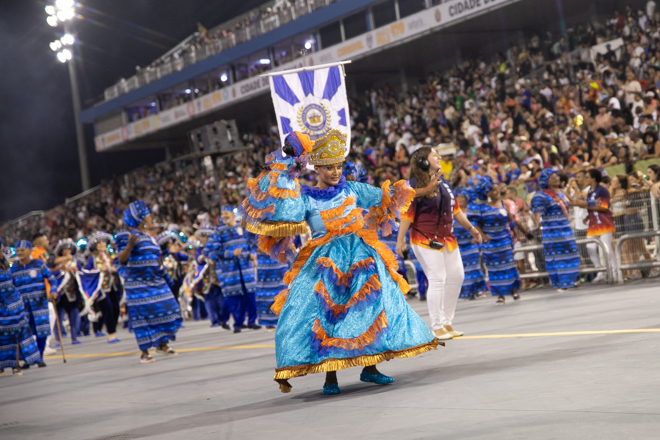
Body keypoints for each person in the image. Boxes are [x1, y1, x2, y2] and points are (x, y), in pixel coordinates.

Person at [240, 130, 439, 395]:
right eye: (330, 167)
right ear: (318, 168)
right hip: (324, 261)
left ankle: (371, 368)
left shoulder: (353, 189)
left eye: (339, 166)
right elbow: (282, 207)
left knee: (372, 309)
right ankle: (329, 376)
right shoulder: (306, 198)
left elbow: (386, 195)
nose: (335, 172)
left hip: (361, 256)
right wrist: (285, 163)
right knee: (325, 313)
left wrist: (422, 188)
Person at [396, 146, 482, 340]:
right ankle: (437, 326)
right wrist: (400, 240)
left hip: (447, 238)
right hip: (423, 238)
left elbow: (456, 210)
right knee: (437, 278)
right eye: (435, 155)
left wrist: (471, 228)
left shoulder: (444, 182)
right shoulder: (413, 186)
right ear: (424, 161)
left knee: (457, 276)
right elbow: (406, 215)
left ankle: (446, 321)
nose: (440, 157)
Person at [116, 201, 183, 363]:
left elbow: (156, 258)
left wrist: (167, 252)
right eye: (148, 215)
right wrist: (130, 246)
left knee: (168, 309)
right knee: (142, 317)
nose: (151, 217)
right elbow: (121, 259)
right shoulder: (125, 236)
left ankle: (162, 343)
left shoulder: (149, 237)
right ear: (140, 218)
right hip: (138, 284)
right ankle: (144, 352)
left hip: (156, 281)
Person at [203, 206, 260, 333]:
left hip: (246, 269)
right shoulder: (218, 231)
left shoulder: (244, 227)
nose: (224, 215)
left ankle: (252, 321)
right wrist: (230, 253)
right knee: (234, 299)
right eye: (222, 213)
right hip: (229, 272)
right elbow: (209, 252)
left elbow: (254, 242)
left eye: (226, 213)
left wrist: (252, 252)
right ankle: (238, 324)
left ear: (233, 214)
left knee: (251, 296)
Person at [470, 176, 522, 305]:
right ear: (486, 193)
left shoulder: (503, 203)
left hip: (504, 240)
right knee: (494, 269)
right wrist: (483, 235)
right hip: (490, 243)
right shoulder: (480, 207)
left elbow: (510, 219)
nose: (497, 191)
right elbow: (475, 224)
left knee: (509, 266)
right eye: (493, 190)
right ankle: (500, 295)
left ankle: (514, 291)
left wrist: (515, 231)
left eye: (496, 189)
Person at [530, 169, 581, 291]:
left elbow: (574, 202)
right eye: (553, 178)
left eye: (557, 176)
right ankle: (561, 284)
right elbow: (536, 212)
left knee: (572, 253)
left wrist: (590, 203)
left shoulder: (563, 192)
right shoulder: (542, 195)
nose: (557, 179)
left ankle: (569, 280)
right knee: (556, 257)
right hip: (552, 232)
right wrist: (536, 219)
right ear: (546, 181)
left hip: (566, 230)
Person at [11, 240, 59, 367]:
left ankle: (39, 357)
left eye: (22, 250)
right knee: (25, 332)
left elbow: (52, 279)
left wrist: (53, 291)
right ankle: (28, 358)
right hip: (22, 307)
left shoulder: (39, 265)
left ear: (30, 251)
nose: (20, 253)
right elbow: (10, 287)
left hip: (40, 304)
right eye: (18, 251)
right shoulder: (14, 269)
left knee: (41, 331)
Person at [0, 238, 41, 376]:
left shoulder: (5, 263)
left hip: (12, 304)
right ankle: (1, 366)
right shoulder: (14, 267)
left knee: (16, 332)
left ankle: (16, 364)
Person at [567, 169, 616, 283]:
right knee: (590, 248)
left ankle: (614, 272)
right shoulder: (590, 192)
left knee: (607, 248)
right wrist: (588, 217)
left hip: (604, 224)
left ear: (593, 178)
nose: (585, 179)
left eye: (587, 177)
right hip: (593, 225)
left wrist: (586, 207)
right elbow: (591, 206)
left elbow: (603, 207)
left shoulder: (602, 190)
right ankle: (600, 271)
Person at [85, 232, 121, 344]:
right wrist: (100, 270)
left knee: (116, 309)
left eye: (103, 242)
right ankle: (111, 334)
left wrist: (114, 268)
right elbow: (86, 272)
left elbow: (119, 264)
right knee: (108, 309)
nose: (102, 244)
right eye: (99, 243)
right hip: (101, 289)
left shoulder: (110, 255)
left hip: (112, 285)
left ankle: (111, 329)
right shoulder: (93, 259)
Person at [453, 187, 488, 300]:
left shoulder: (471, 211)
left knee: (474, 267)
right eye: (457, 198)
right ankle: (467, 292)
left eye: (461, 198)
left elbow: (478, 225)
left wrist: (477, 237)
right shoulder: (453, 212)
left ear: (467, 199)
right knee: (462, 269)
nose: (459, 199)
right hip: (458, 245)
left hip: (471, 244)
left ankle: (479, 290)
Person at [49, 239, 84, 346]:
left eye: (69, 249)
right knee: (58, 317)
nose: (67, 251)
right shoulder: (55, 261)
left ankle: (74, 337)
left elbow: (81, 274)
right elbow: (50, 271)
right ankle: (58, 340)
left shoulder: (75, 261)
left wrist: (75, 270)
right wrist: (61, 269)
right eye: (65, 249)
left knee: (74, 315)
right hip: (60, 293)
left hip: (72, 292)